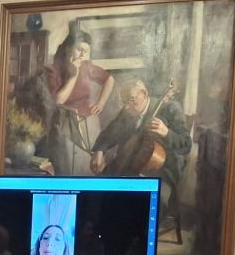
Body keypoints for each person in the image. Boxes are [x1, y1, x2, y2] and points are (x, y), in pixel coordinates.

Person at [89, 78, 191, 181]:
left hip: (161, 171)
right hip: (129, 166)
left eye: (131, 100)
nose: (127, 106)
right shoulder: (128, 110)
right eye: (124, 102)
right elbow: (110, 133)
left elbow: (186, 144)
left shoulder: (171, 108)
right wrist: (100, 150)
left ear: (144, 93)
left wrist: (167, 133)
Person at [44, 31, 115, 175]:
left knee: (90, 169)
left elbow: (110, 79)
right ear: (68, 49)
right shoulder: (53, 70)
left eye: (86, 51)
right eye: (79, 49)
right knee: (68, 169)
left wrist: (101, 103)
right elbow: (59, 100)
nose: (82, 54)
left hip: (89, 123)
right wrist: (74, 74)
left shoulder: (87, 66)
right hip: (64, 126)